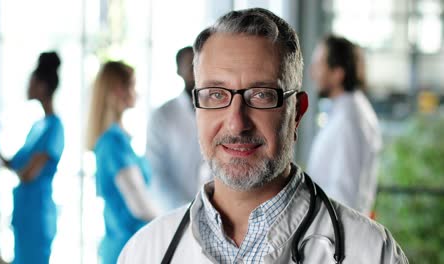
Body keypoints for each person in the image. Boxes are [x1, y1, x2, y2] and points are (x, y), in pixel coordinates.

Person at [118, 8, 408, 264]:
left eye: (261, 95)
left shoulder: (370, 253)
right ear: (196, 109)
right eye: (216, 94)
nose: (236, 123)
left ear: (297, 112)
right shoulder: (144, 252)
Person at [86, 61, 157, 264]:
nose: (137, 92)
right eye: (133, 85)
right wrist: (177, 224)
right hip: (125, 249)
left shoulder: (120, 140)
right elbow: (139, 205)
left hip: (131, 246)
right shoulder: (112, 143)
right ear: (118, 90)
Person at [0, 51, 64, 264]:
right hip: (24, 214)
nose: (28, 86)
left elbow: (28, 174)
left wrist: (20, 171)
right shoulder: (38, 126)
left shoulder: (54, 128)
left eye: (32, 82)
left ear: (43, 86)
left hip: (38, 215)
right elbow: (13, 164)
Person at [307, 35, 382, 214]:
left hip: (336, 234)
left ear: (337, 73)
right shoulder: (346, 112)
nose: (312, 73)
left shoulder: (350, 119)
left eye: (319, 65)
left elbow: (345, 195)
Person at [146, 46, 204, 211]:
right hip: (176, 210)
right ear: (179, 70)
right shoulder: (163, 115)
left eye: (200, 64)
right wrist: (184, 210)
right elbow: (156, 172)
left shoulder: (222, 110)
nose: (196, 70)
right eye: (190, 65)